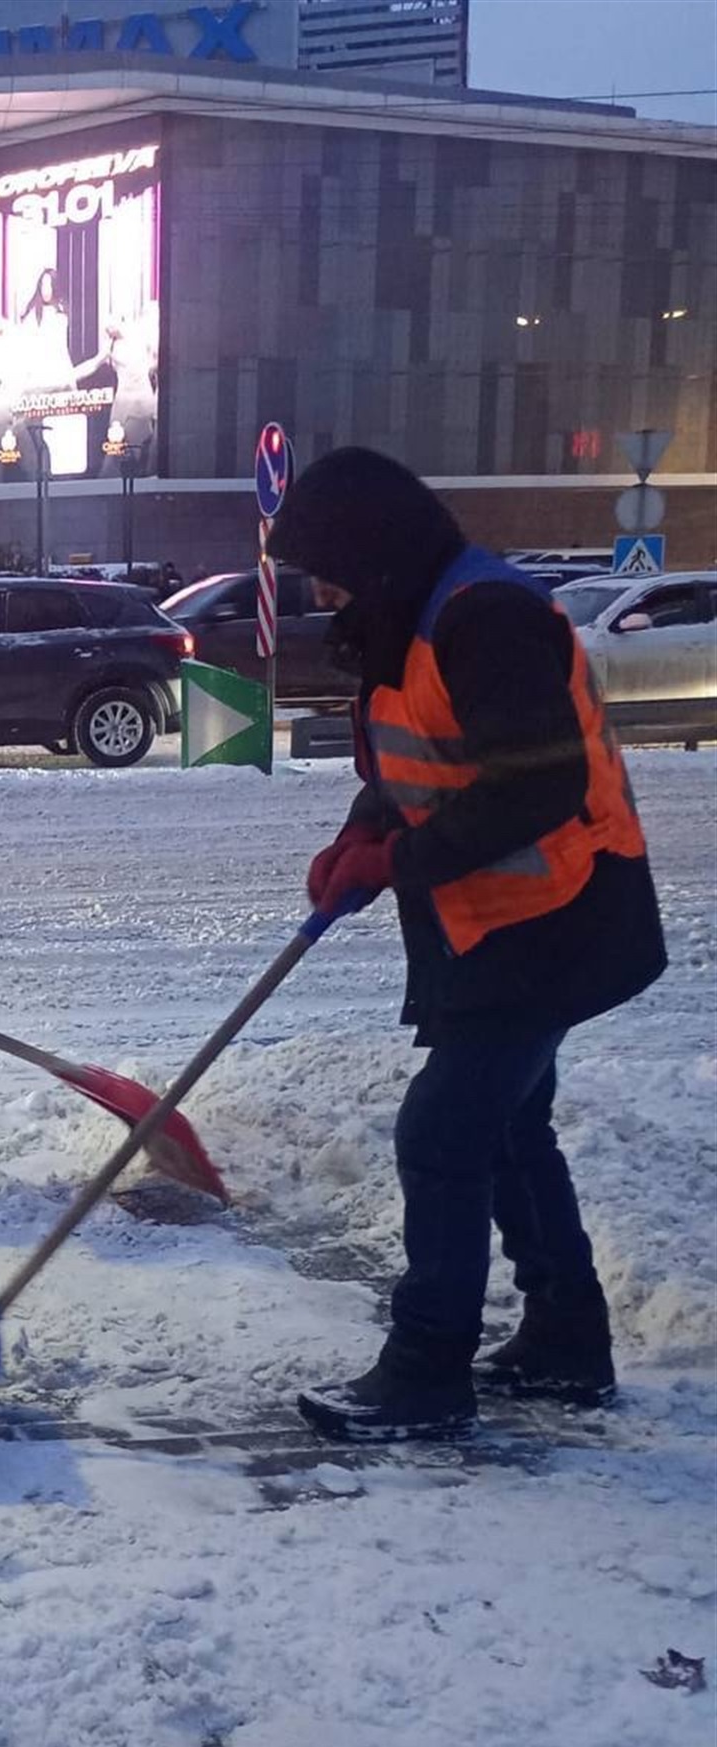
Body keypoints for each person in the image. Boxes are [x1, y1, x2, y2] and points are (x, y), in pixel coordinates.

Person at [266, 447, 666, 1443]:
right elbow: (422, 755)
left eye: (328, 566)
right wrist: (364, 831)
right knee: (505, 1129)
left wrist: (397, 863)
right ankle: (568, 1345)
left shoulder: (486, 618)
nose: (321, 591)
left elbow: (537, 785)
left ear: (375, 548)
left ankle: (426, 1375)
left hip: (565, 914)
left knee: (441, 1133)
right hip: (497, 921)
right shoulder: (406, 618)